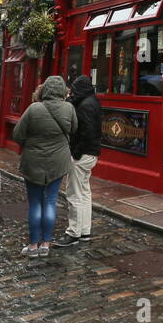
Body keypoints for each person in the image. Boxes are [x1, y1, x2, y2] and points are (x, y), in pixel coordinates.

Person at [12, 76, 76, 258]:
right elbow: (74, 129)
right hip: (58, 161)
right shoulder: (69, 108)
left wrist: (31, 143)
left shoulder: (34, 108)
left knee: (35, 203)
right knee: (50, 201)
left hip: (34, 160)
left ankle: (33, 246)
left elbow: (17, 134)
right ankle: (46, 244)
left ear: (45, 90)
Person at [55, 75, 101, 248]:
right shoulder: (92, 101)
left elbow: (86, 133)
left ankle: (73, 232)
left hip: (82, 156)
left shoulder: (85, 106)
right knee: (84, 193)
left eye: (74, 88)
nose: (72, 92)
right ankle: (84, 231)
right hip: (91, 154)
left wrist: (75, 154)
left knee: (74, 194)